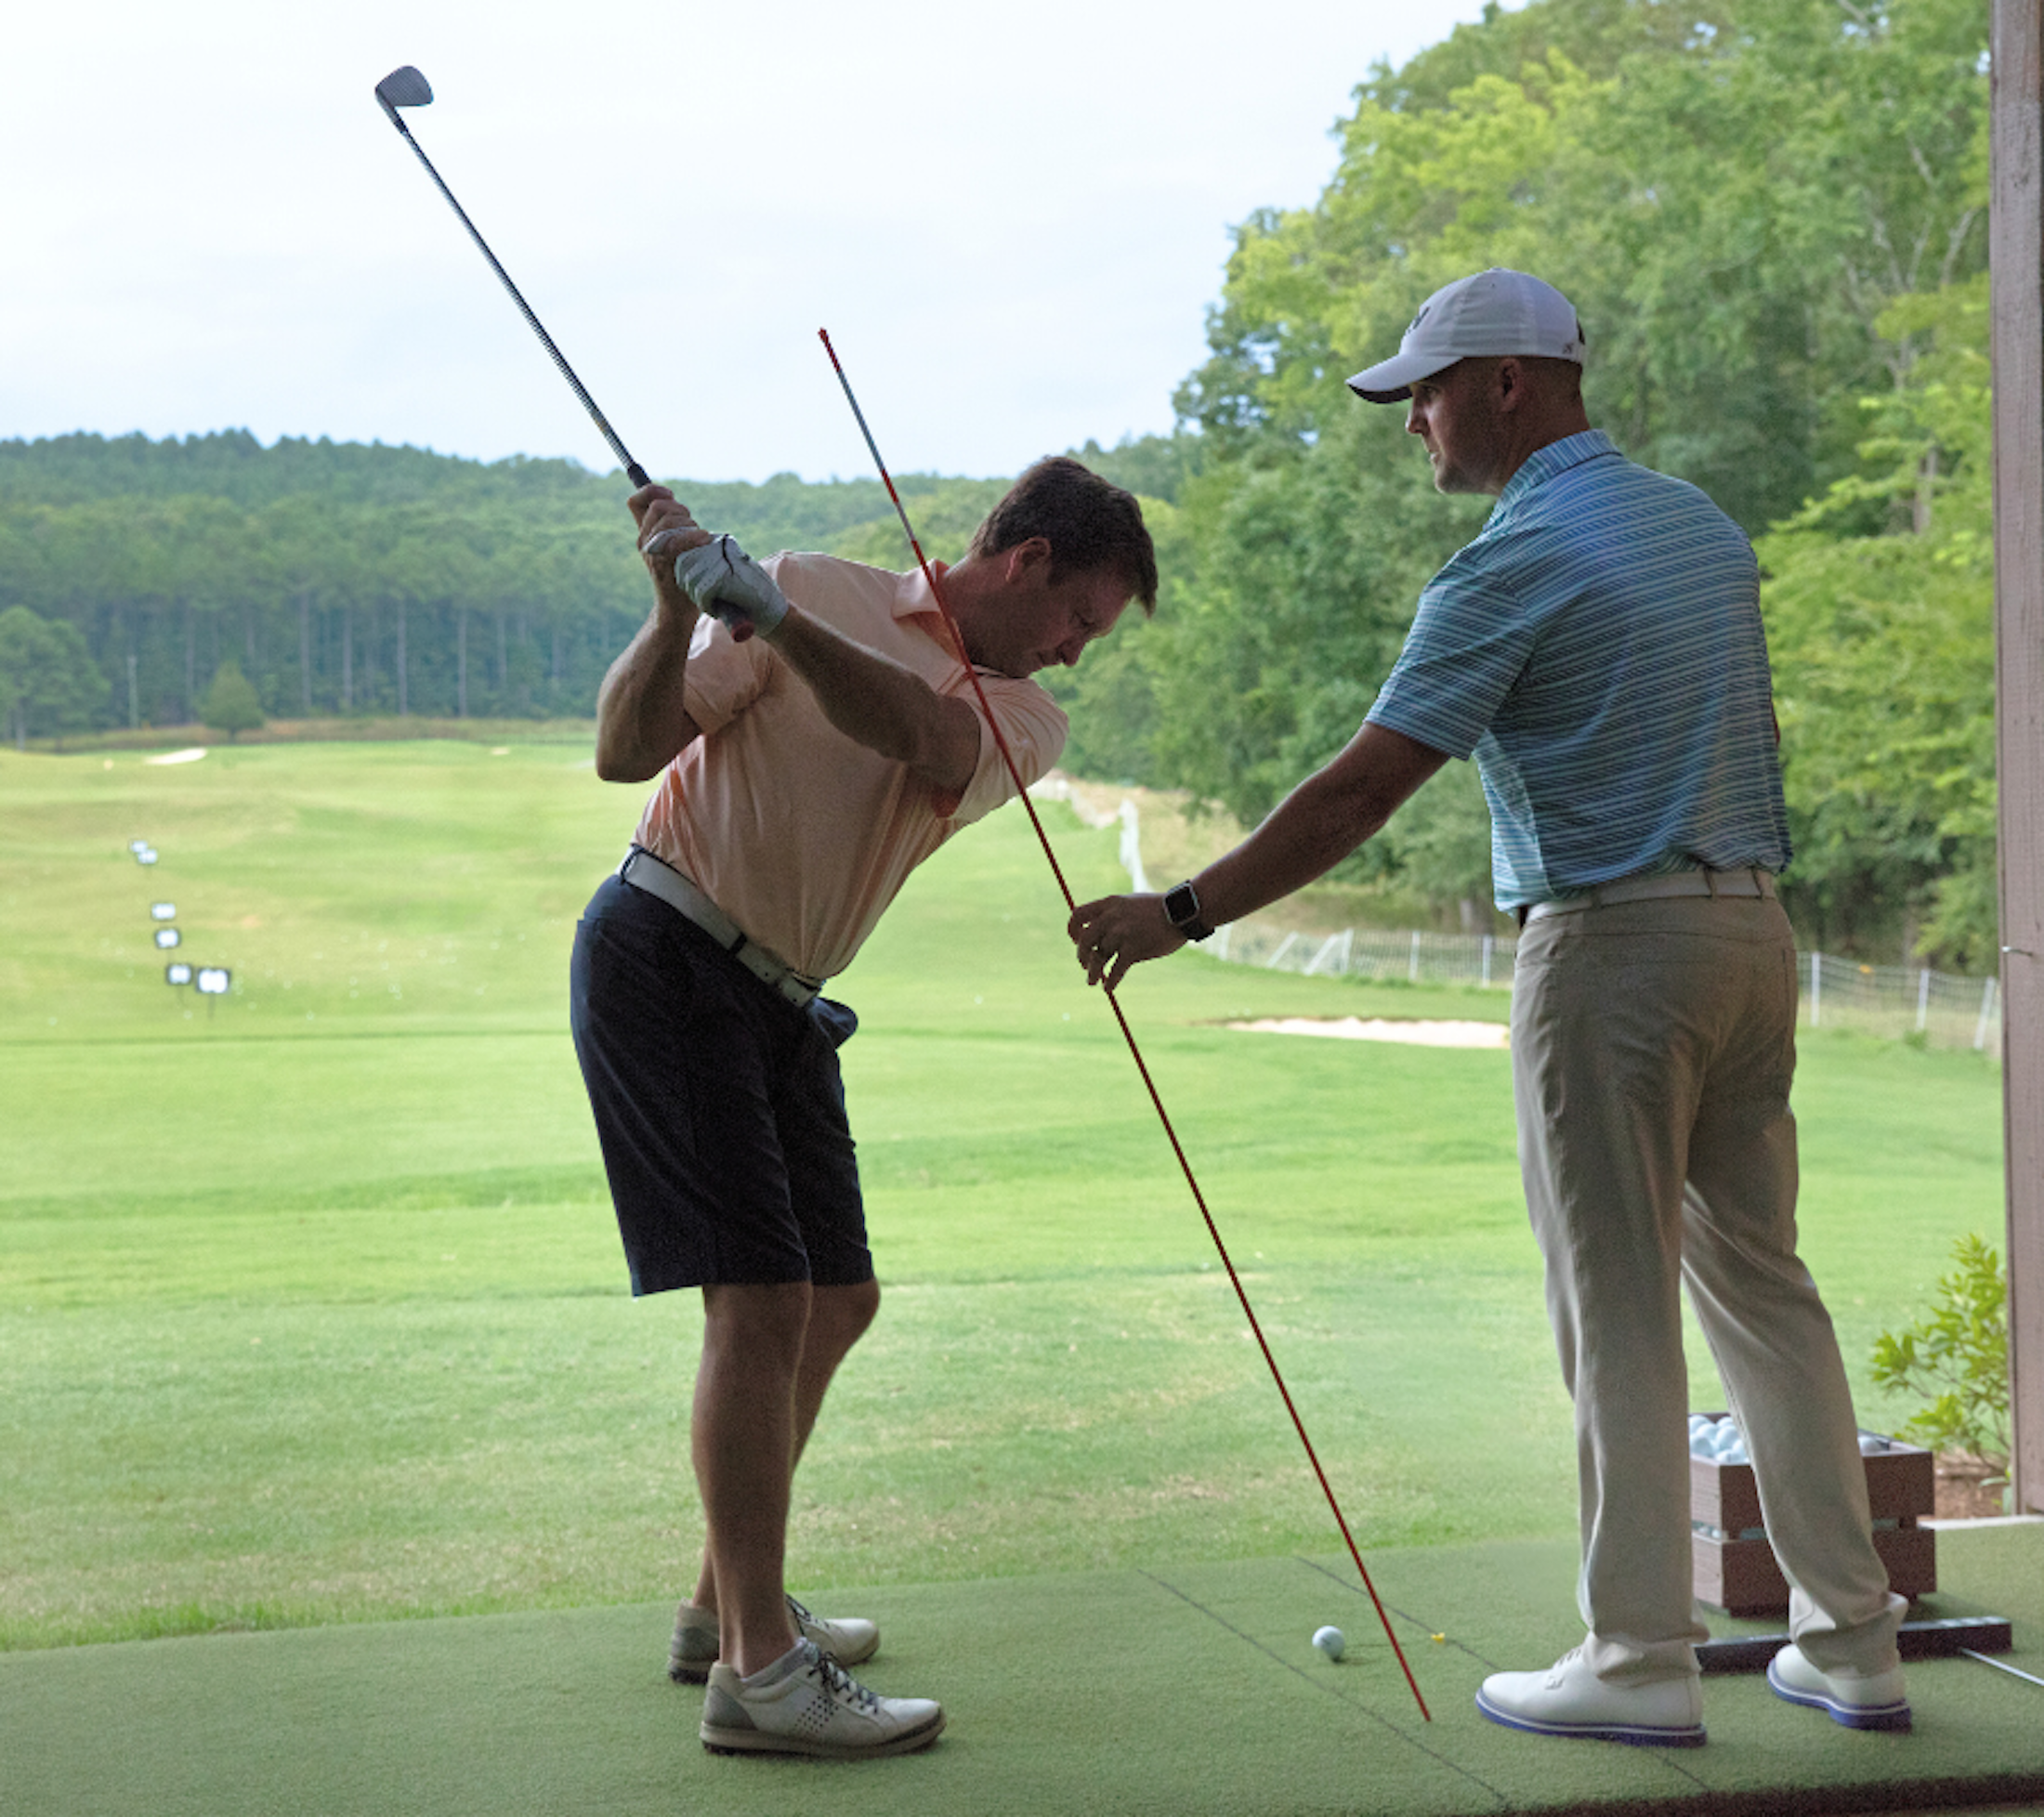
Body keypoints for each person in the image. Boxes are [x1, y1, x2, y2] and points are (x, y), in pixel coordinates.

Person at [1068, 268, 1908, 1745]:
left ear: (1511, 382)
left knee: (1619, 1308)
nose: (1415, 427)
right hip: (1753, 936)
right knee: (1768, 1296)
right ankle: (1854, 1646)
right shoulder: (1703, 530)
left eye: (1428, 393)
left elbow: (1360, 792)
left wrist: (1182, 912)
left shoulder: (1506, 566)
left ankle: (1639, 1657)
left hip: (1610, 949)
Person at [572, 456, 1156, 1759]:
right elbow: (624, 753)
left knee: (837, 1297)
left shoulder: (1015, 716)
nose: (1072, 653)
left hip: (784, 998)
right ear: (1030, 562)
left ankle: (723, 1602)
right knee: (762, 1298)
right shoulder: (804, 586)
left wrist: (775, 623)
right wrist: (677, 607)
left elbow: (923, 737)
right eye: (1081, 622)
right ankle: (759, 1676)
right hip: (666, 947)